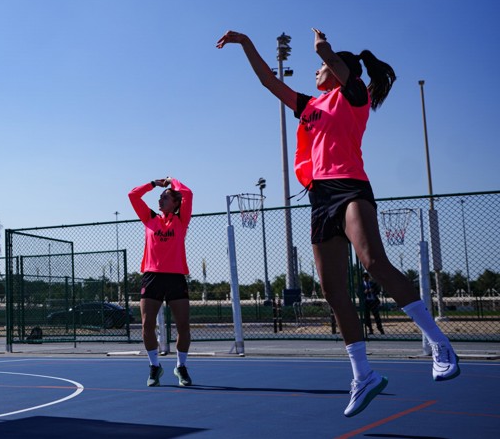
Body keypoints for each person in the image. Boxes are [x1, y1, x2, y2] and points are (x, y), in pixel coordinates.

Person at [216, 28, 460, 417]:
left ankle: (440, 344)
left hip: (350, 188)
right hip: (319, 199)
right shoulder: (309, 106)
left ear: (339, 69)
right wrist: (246, 43)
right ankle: (363, 376)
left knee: (373, 263)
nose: (316, 71)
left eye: (322, 67)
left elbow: (337, 67)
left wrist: (324, 50)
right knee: (332, 291)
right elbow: (268, 81)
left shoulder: (354, 96)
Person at [129, 176, 194, 387]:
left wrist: (172, 181)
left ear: (176, 203)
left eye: (165, 198)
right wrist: (155, 184)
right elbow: (133, 195)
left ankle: (181, 367)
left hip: (175, 277)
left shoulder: (181, 220)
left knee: (183, 325)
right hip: (152, 276)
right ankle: (154, 366)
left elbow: (188, 194)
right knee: (147, 325)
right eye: (160, 198)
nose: (160, 200)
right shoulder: (150, 219)